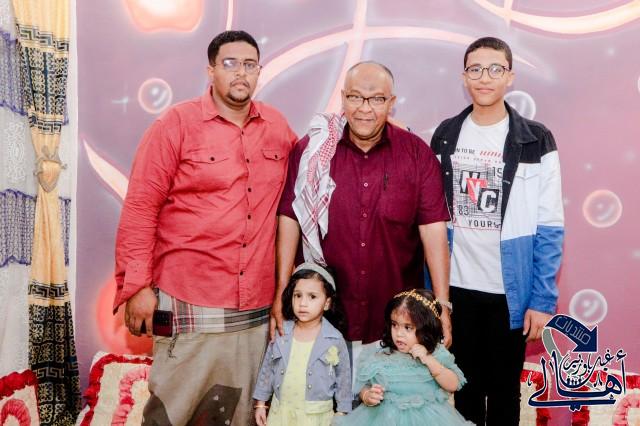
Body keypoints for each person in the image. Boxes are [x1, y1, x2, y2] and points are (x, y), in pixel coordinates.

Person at [113, 30, 298, 426]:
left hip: (253, 311)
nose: (241, 73)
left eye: (250, 65)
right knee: (172, 414)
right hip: (188, 300)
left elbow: (311, 174)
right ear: (211, 70)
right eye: (230, 64)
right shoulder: (176, 124)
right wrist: (137, 286)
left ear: (259, 71)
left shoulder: (277, 126)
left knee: (241, 415)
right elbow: (141, 207)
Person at [273, 62, 452, 374]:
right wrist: (281, 290)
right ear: (343, 98)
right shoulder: (312, 151)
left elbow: (434, 232)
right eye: (356, 97)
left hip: (396, 326)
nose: (365, 109)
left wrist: (442, 305)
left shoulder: (416, 154)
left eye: (377, 99)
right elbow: (290, 218)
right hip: (322, 320)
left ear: (391, 102)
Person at [430, 36, 564, 425]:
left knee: (505, 393)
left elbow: (550, 224)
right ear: (464, 77)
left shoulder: (536, 139)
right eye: (475, 69)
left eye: (495, 69)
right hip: (458, 288)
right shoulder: (446, 135)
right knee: (464, 389)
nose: (484, 77)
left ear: (510, 77)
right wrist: (437, 298)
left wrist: (542, 299)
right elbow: (432, 218)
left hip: (512, 292)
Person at [333, 288, 471, 425]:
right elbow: (364, 386)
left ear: (426, 328)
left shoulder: (435, 354)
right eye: (394, 325)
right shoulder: (381, 355)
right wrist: (367, 396)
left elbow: (453, 385)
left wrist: (429, 360)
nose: (399, 334)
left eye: (408, 327)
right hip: (383, 419)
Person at [253, 263, 352, 425]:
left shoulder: (334, 339)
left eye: (312, 297)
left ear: (327, 303)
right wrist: (261, 404)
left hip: (315, 417)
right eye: (298, 295)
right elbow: (268, 369)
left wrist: (342, 413)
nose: (303, 303)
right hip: (280, 414)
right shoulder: (282, 332)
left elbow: (343, 379)